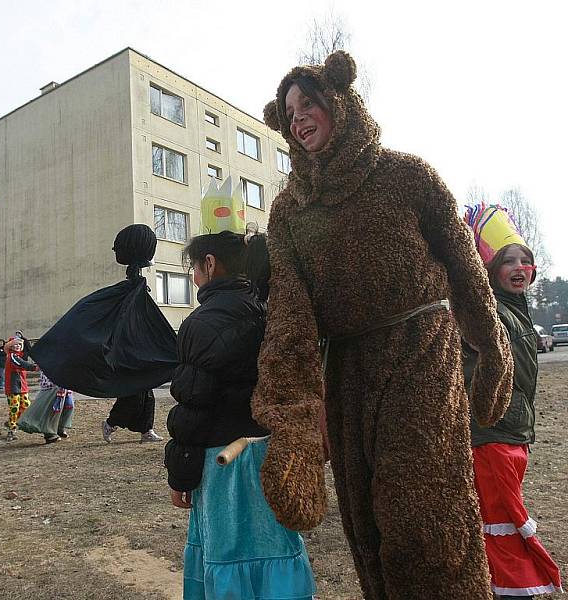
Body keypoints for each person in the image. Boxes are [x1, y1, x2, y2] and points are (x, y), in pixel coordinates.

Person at [254, 51, 513, 599]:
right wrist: (296, 419)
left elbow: (466, 268)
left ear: (338, 102)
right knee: (368, 522)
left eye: (309, 104)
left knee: (423, 514)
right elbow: (289, 315)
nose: (299, 118)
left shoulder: (406, 175)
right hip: (346, 367)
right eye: (289, 111)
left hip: (421, 353)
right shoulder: (289, 212)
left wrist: (492, 350)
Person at [165, 231, 317, 599]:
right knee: (276, 546)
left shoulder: (200, 324)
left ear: (210, 264)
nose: (194, 277)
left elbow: (193, 407)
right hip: (272, 457)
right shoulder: (271, 313)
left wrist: (180, 474)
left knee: (228, 555)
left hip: (224, 465)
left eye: (194, 268)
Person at [463, 205, 563, 599]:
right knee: (501, 524)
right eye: (509, 261)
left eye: (527, 260)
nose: (521, 267)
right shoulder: (488, 312)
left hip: (511, 436)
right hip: (492, 439)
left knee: (499, 521)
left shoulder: (515, 310)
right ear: (489, 270)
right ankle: (512, 591)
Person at [17, 369, 74, 444]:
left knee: (68, 406)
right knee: (50, 409)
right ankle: (49, 434)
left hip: (63, 384)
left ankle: (59, 428)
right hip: (51, 384)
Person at [3, 337, 38, 441]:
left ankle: (12, 422)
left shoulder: (20, 355)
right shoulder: (12, 356)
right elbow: (20, 364)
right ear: (11, 346)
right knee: (14, 408)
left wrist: (25, 341)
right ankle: (11, 430)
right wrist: (34, 367)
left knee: (26, 405)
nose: (18, 346)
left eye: (19, 344)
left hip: (22, 386)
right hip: (12, 386)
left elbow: (27, 351)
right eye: (15, 344)